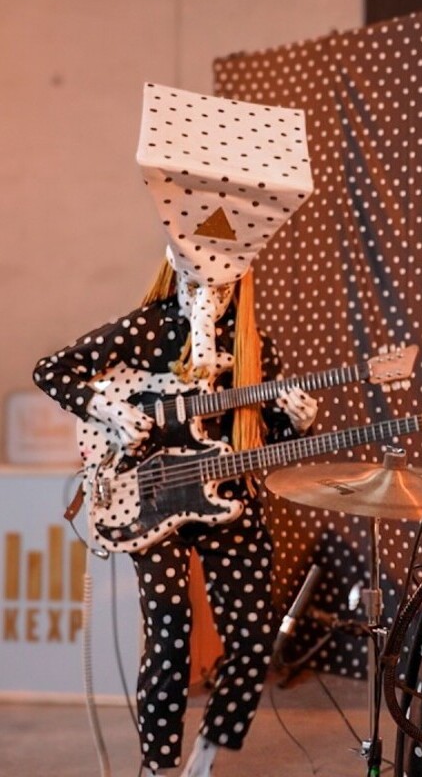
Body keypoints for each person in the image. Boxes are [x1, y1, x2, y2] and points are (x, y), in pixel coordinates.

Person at [33, 84, 316, 777]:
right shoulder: (147, 327)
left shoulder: (253, 347)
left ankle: (206, 757)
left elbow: (267, 443)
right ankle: (157, 764)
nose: (211, 290)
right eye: (200, 273)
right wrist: (109, 408)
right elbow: (53, 370)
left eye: (225, 277)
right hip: (149, 494)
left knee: (251, 635)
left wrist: (292, 417)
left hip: (225, 494)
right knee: (168, 633)